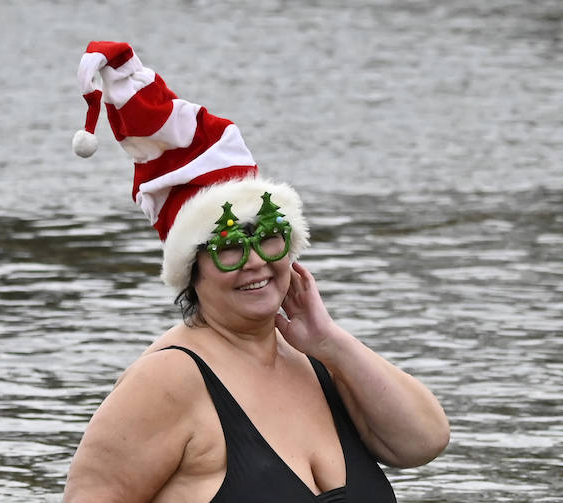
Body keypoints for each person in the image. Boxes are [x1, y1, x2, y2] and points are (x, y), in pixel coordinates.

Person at [64, 42, 449, 502]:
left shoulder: (317, 359)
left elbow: (423, 443)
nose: (255, 261)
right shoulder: (167, 380)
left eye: (268, 236)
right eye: (227, 246)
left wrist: (331, 343)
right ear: (193, 270)